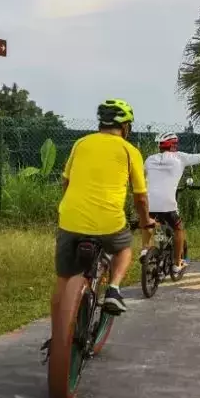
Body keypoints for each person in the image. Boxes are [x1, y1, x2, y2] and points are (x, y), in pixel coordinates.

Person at [52, 98, 155, 316]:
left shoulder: (80, 143)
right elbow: (141, 198)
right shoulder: (130, 150)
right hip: (109, 223)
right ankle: (114, 290)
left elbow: (66, 183)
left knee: (63, 280)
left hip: (70, 219)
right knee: (124, 248)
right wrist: (145, 221)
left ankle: (59, 331)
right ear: (125, 126)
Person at [143, 133, 200, 273]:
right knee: (178, 229)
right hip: (167, 203)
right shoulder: (180, 157)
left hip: (148, 202)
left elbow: (142, 175)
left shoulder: (149, 159)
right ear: (174, 145)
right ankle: (177, 264)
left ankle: (144, 250)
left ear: (159, 146)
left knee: (148, 223)